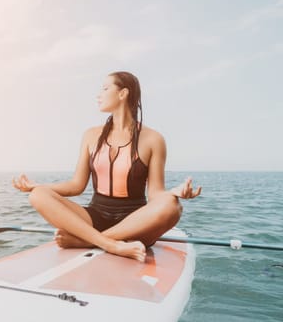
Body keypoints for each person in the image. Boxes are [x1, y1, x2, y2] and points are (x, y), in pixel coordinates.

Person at [12, 71, 201, 262]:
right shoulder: (90, 135)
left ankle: (87, 241)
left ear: (122, 93)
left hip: (135, 223)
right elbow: (76, 185)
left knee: (173, 207)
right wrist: (35, 186)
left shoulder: (153, 139)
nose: (98, 95)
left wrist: (174, 193)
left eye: (105, 88)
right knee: (38, 195)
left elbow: (155, 194)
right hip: (94, 217)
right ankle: (110, 243)